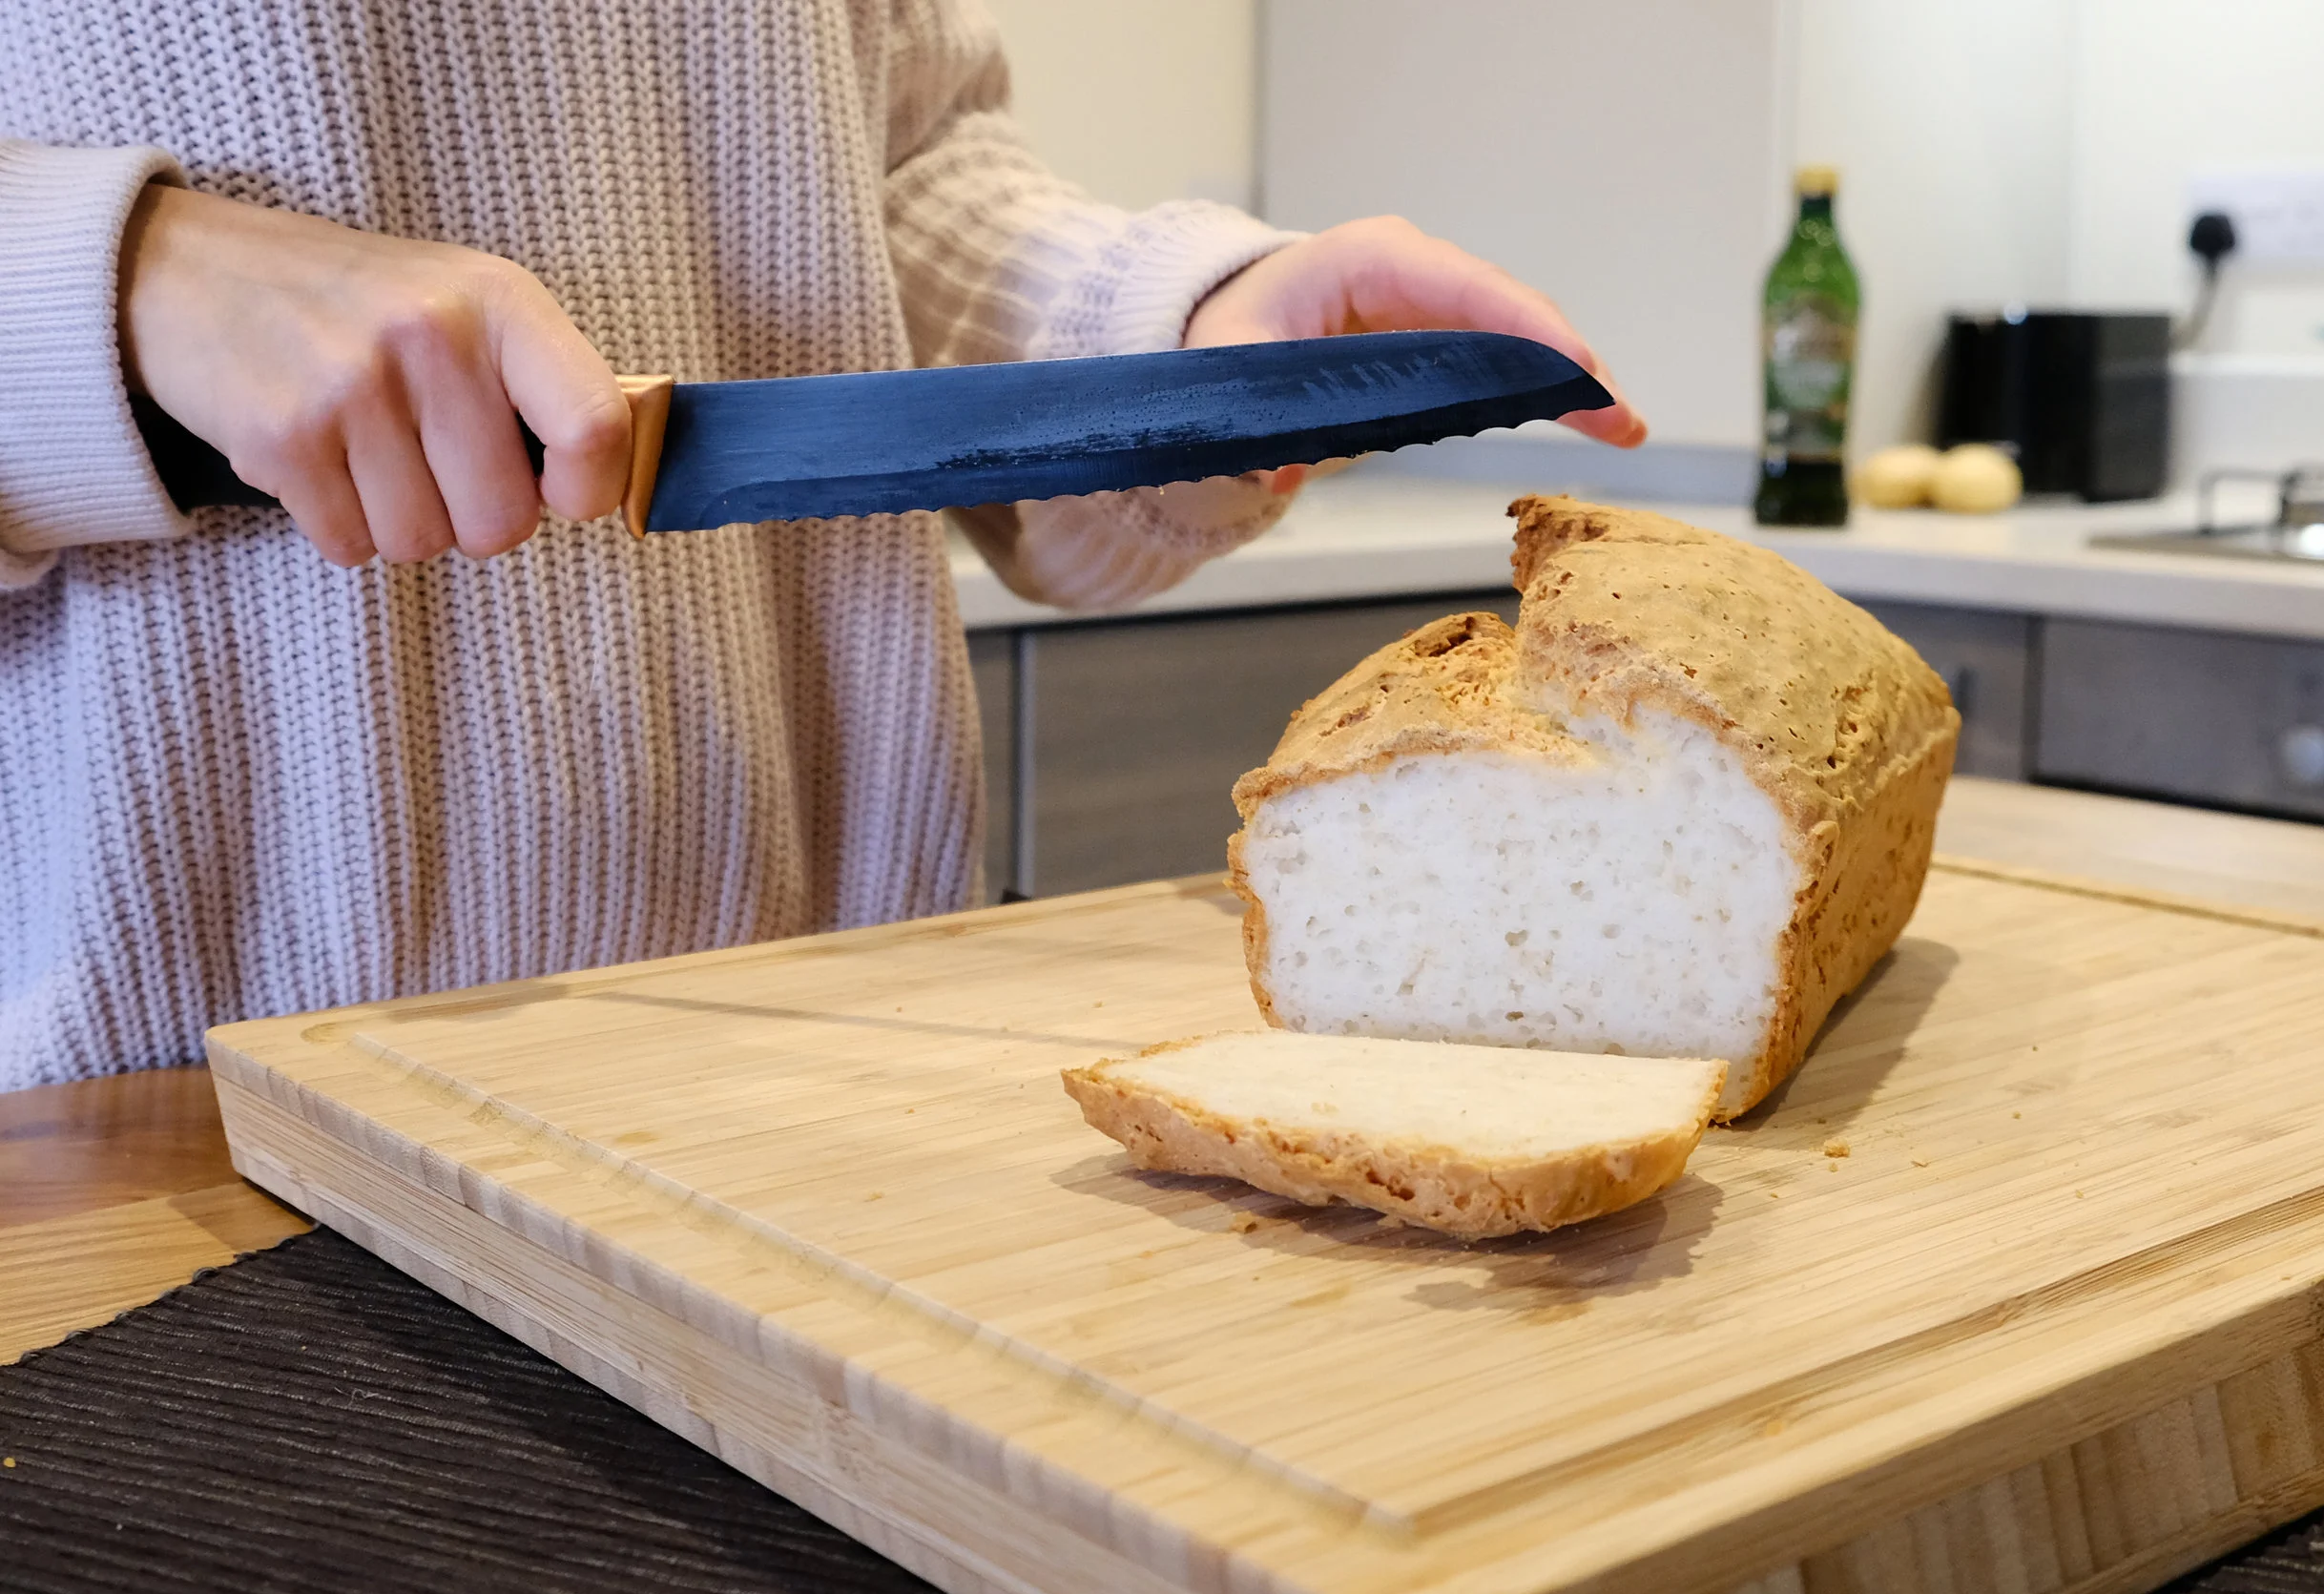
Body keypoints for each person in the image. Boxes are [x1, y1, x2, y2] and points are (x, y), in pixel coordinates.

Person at [0, 0, 1644, 1093]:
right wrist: (100, 285)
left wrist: (1181, 335)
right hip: (154, 1124)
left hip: (827, 1052)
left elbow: (894, 163)